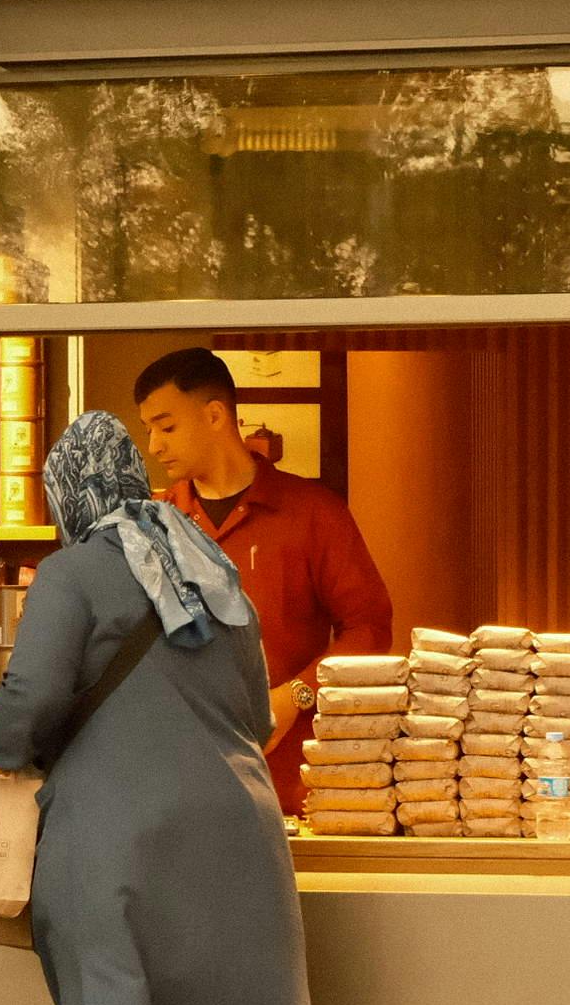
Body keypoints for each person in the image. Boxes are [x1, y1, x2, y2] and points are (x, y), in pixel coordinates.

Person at [0, 413, 329, 1005]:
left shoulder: (77, 571)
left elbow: (30, 700)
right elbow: (256, 711)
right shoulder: (214, 569)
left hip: (117, 835)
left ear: (68, 494)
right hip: (237, 836)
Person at [133, 348, 393, 815]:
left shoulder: (313, 513)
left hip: (291, 788)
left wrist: (296, 695)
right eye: (148, 429)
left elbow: (369, 630)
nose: (153, 445)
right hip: (173, 787)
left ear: (215, 415)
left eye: (166, 426)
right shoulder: (152, 524)